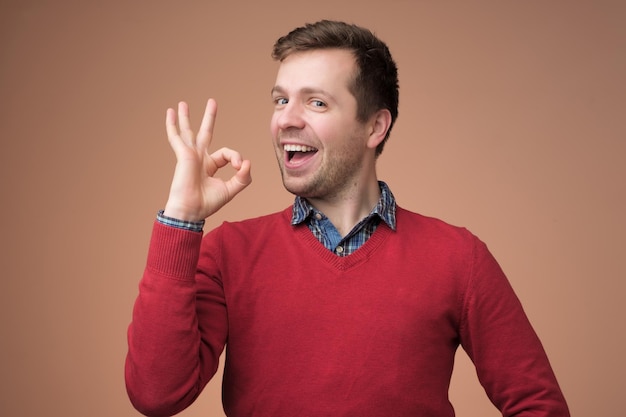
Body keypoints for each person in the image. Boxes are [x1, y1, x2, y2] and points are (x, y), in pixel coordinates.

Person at [125, 20, 570, 417]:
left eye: (316, 103)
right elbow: (157, 395)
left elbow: (538, 405)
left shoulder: (458, 257)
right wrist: (181, 217)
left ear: (375, 127)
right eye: (280, 100)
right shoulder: (229, 252)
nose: (286, 120)